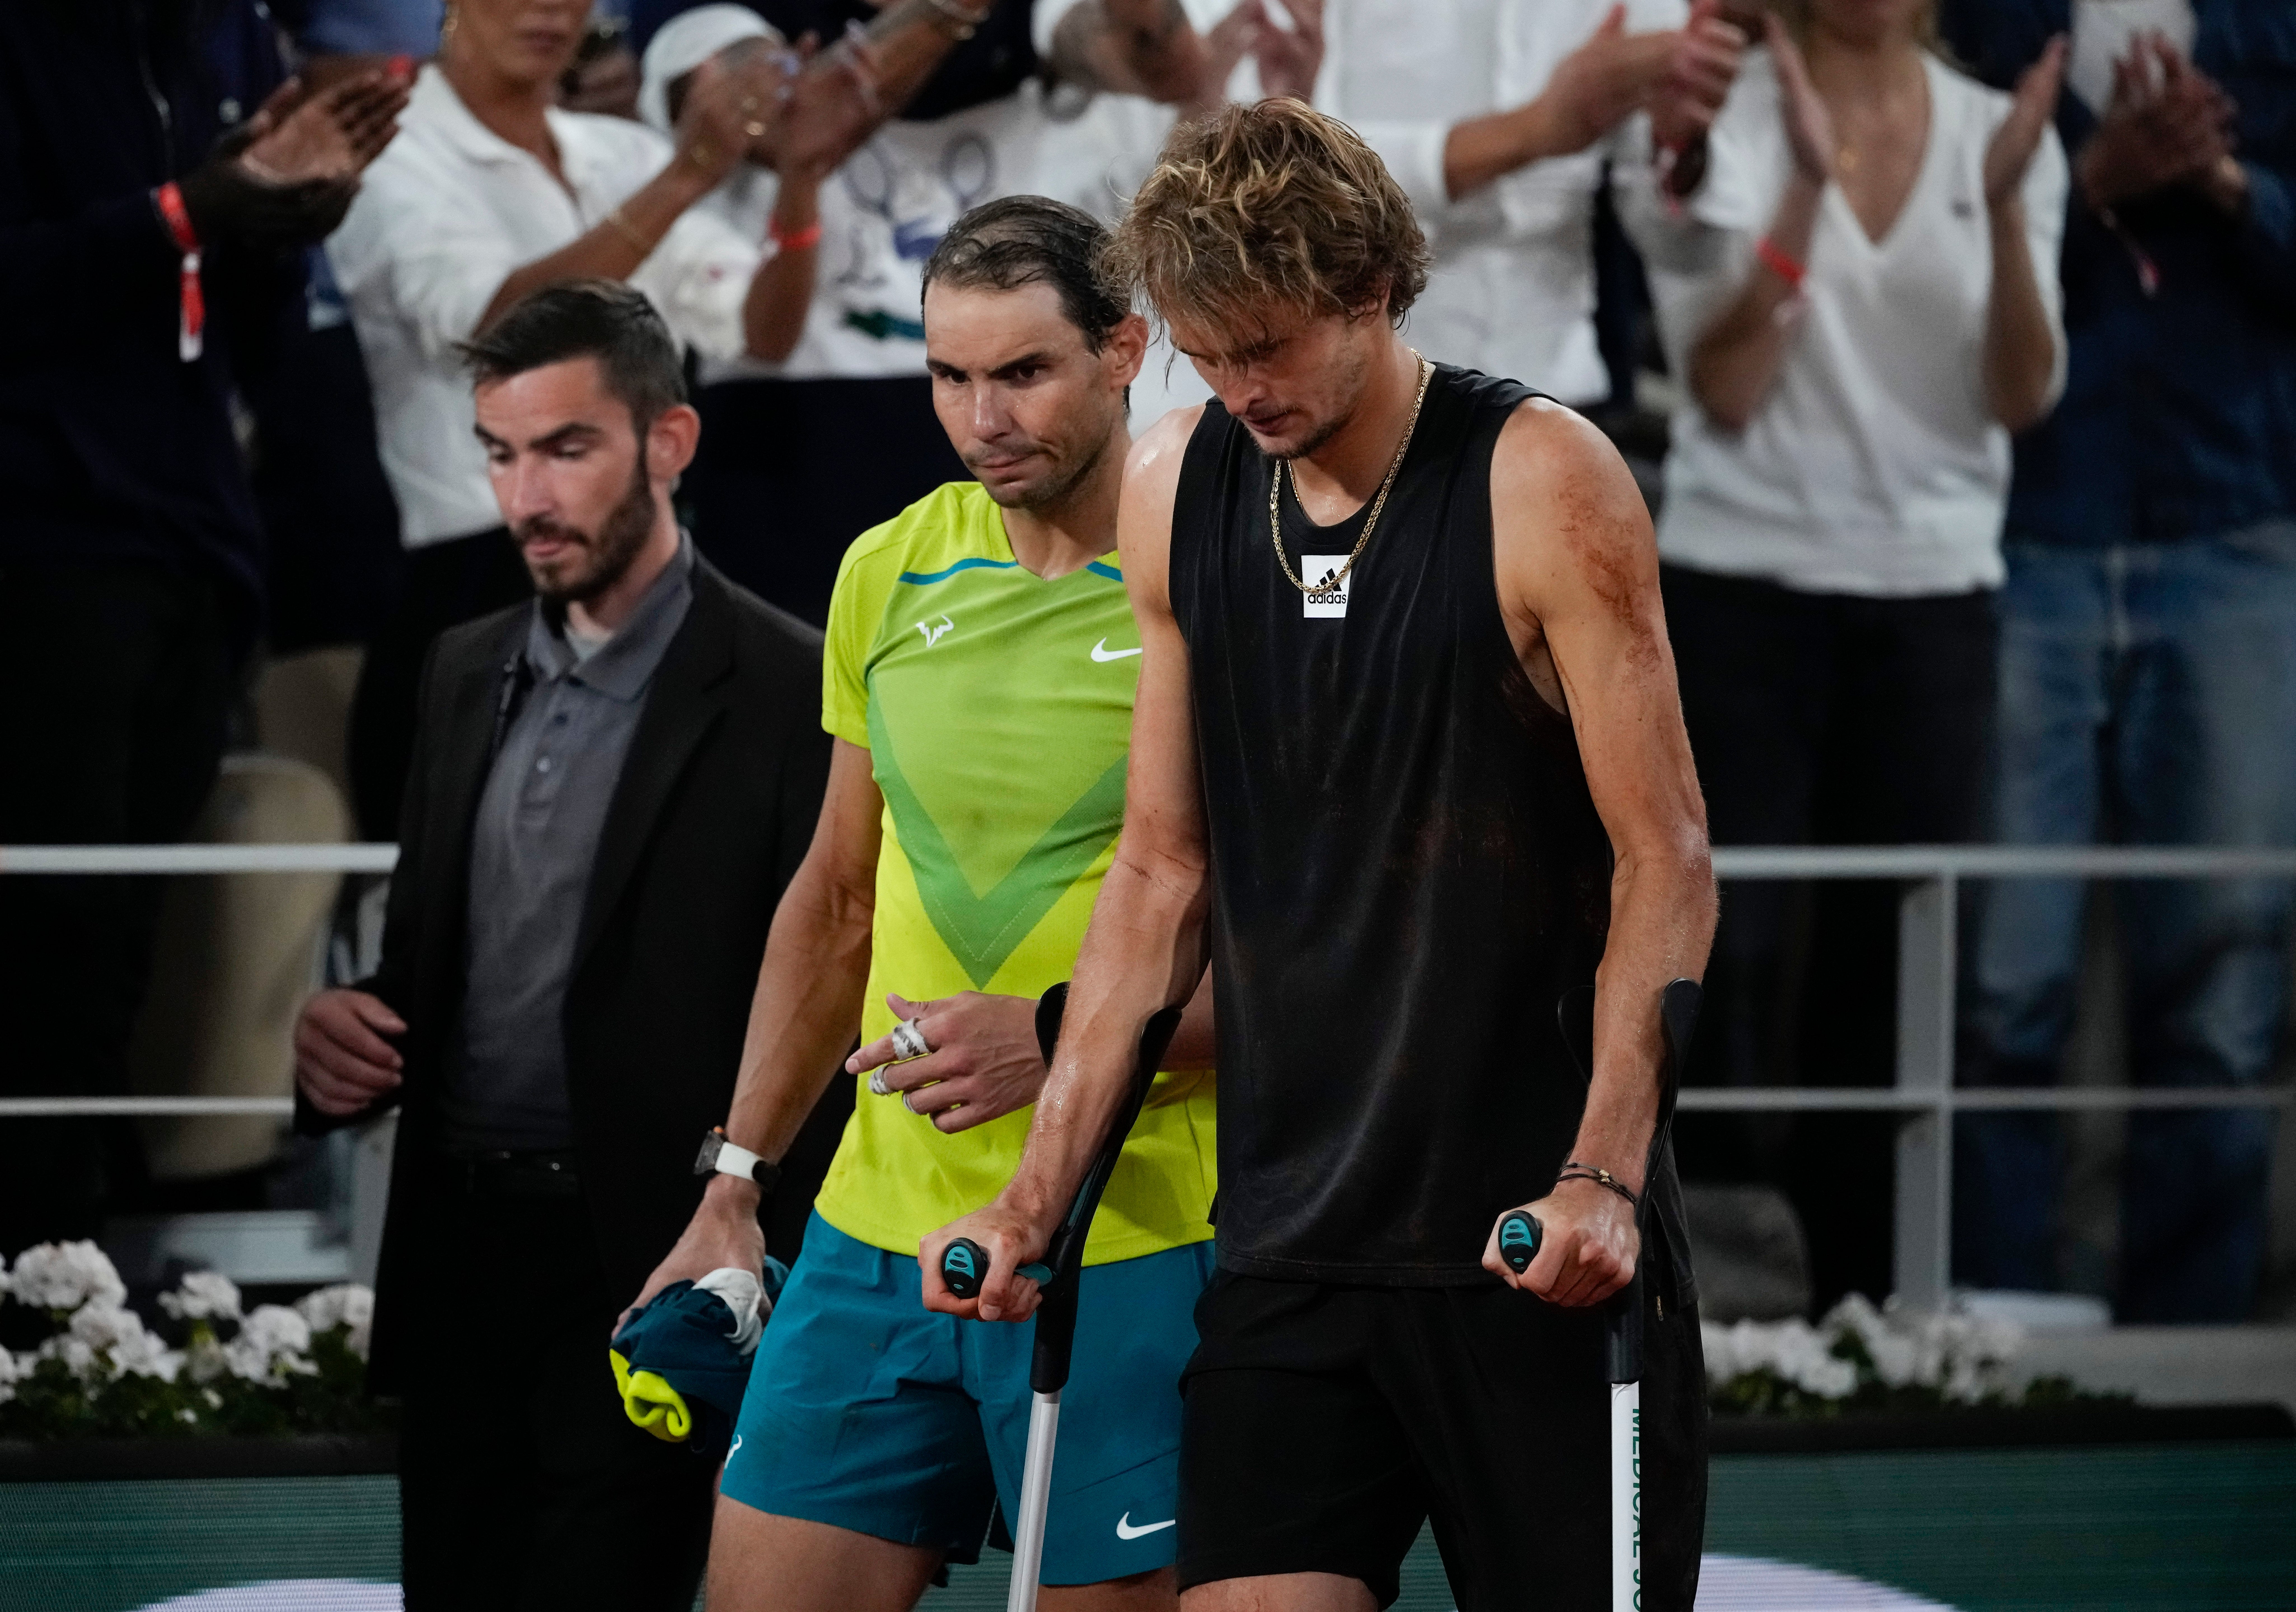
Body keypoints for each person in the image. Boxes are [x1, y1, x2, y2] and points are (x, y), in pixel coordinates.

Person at [926, 103, 1718, 1610]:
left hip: (1530, 1243)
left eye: (1270, 345)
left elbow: (1663, 858)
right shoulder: (1176, 482)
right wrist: (1033, 1201)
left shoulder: (1539, 476)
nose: (1238, 388)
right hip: (1291, 1243)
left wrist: (1601, 1171)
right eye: (1204, 352)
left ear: (1372, 288)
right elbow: (1159, 874)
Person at [628, 196, 1220, 1610]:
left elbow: (1307, 954)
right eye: (949, 376)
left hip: (1132, 1242)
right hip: (867, 1238)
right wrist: (732, 1182)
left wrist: (1061, 1038)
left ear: (1126, 348)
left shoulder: (1216, 572)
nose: (980, 417)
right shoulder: (887, 567)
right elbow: (835, 902)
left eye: (1024, 373)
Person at [290, 282, 837, 1610]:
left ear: (670, 442)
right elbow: (430, 955)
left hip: (647, 1265)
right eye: (500, 450)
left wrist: (744, 1243)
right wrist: (345, 1028)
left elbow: (824, 982)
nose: (525, 494)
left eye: (565, 447)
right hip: (460, 1259)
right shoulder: (462, 664)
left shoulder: (793, 685)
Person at [1624, 0, 2069, 1306]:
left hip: (1932, 588)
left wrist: (1995, 210)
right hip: (1741, 578)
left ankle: (1870, 1309)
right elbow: (1727, 385)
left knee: (1895, 958)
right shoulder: (1726, 117)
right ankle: (1713, 1303)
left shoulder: (2002, 134)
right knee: (1728, 945)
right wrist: (1809, 192)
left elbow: (2024, 392)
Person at [329, 0, 985, 838]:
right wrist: (689, 175)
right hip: (480, 571)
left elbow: (762, 330)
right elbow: (500, 334)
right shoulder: (400, 150)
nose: (550, 13)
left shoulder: (617, 154)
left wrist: (799, 179)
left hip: (644, 578)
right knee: (471, 907)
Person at [0, 3, 409, 1258]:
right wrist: (192, 210)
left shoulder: (213, 45)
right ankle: (32, 1262)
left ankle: (67, 1268)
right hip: (39, 548)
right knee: (43, 936)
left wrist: (284, 222)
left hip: (198, 549)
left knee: (123, 934)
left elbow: (258, 346)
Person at [1940, 1, 2296, 1322]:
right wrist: (2087, 187)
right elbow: (1924, 265)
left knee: (2223, 988)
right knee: (1998, 986)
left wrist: (2225, 186)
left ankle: (2198, 1354)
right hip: (2025, 524)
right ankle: (1989, 1343)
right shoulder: (1982, 18)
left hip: (2237, 527)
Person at [648, 0, 1269, 626]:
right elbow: (791, 118)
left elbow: (1163, 69)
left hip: (1000, 418)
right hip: (789, 450)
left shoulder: (1025, 21)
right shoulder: (714, 19)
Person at [1036, 0, 1748, 406]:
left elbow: (1687, 253)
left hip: (1543, 409)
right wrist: (1528, 134)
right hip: (1305, 418)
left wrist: (1681, 154)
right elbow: (1243, 186)